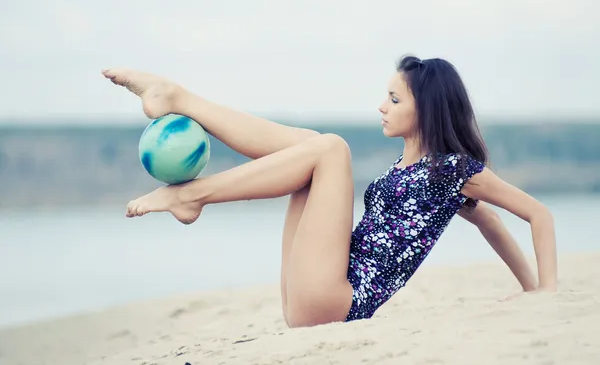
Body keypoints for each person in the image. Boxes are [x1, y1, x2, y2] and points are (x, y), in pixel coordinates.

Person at [101, 55, 557, 328]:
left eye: (395, 100)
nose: (382, 105)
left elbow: (537, 215)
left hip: (337, 301)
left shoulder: (455, 169)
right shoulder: (411, 167)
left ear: (428, 108)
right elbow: (490, 226)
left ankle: (191, 196)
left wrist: (545, 293)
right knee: (312, 146)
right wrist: (528, 285)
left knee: (331, 149)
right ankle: (177, 98)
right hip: (315, 293)